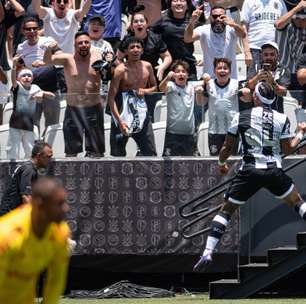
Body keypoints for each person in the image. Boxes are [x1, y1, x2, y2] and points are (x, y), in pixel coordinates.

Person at [193, 81, 306, 271]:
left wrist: (222, 164)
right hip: (273, 170)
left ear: (256, 97)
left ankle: (207, 252)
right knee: (297, 201)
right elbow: (289, 148)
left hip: (249, 171)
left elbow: (227, 147)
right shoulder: (281, 118)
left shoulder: (241, 116)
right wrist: (301, 132)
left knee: (226, 211)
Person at [0, 177, 70, 304]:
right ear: (39, 204)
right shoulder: (6, 236)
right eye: (59, 204)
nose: (66, 208)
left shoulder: (60, 233)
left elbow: (56, 281)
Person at [44, 31, 105, 157]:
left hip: (94, 109)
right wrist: (49, 48)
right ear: (75, 46)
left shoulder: (98, 57)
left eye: (86, 42)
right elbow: (47, 61)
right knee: (71, 151)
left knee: (96, 152)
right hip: (74, 109)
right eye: (80, 43)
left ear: (90, 44)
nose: (83, 45)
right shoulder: (67, 59)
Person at [117, 8, 172, 119]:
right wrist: (125, 71)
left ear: (147, 24)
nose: (139, 23)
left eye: (142, 21)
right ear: (132, 26)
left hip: (151, 80)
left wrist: (162, 66)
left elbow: (167, 57)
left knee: (150, 115)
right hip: (132, 82)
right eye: (136, 21)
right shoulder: (127, 39)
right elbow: (117, 58)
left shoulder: (155, 38)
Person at [108, 37, 157, 156]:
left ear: (142, 50)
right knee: (117, 153)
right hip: (122, 111)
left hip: (141, 111)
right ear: (126, 51)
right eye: (132, 47)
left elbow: (155, 87)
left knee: (150, 151)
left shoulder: (147, 66)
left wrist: (145, 91)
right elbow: (111, 98)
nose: (135, 50)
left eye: (138, 47)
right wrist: (120, 122)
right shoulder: (120, 70)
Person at [16, 16, 61, 134]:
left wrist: (46, 61)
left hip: (51, 89)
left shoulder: (48, 41)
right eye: (28, 29)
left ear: (38, 29)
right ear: (23, 31)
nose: (32, 31)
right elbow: (20, 69)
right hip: (32, 92)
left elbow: (61, 59)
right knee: (32, 126)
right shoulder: (21, 47)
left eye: (34, 28)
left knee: (52, 127)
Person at [7, 57, 55, 160]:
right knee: (13, 150)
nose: (26, 77)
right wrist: (14, 67)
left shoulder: (35, 88)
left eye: (29, 75)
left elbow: (53, 96)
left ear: (32, 79)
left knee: (30, 150)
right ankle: (11, 170)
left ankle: (28, 169)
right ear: (19, 78)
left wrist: (43, 93)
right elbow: (13, 80)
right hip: (16, 124)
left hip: (29, 124)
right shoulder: (18, 86)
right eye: (23, 76)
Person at [202, 57, 251, 155]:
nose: (222, 70)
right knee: (215, 161)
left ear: (230, 71)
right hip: (214, 131)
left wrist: (247, 93)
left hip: (232, 131)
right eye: (219, 68)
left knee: (231, 161)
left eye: (225, 68)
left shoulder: (236, 84)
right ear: (214, 71)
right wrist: (201, 89)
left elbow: (247, 100)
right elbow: (201, 102)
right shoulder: (209, 85)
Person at [184, 5, 245, 79]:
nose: (218, 19)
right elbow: (187, 39)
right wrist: (192, 22)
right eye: (215, 16)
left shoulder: (231, 29)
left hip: (230, 79)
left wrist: (234, 25)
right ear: (210, 17)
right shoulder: (204, 30)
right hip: (210, 79)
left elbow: (243, 35)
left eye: (221, 16)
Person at [159, 59, 204, 156]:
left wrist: (206, 78)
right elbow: (161, 88)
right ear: (173, 75)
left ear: (188, 75)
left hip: (189, 133)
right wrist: (167, 78)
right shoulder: (171, 86)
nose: (181, 74)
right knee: (169, 166)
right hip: (172, 133)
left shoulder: (192, 86)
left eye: (183, 72)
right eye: (177, 72)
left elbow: (205, 82)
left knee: (188, 165)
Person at [0, 141, 53, 215]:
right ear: (38, 156)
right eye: (48, 157)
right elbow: (26, 198)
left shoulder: (29, 168)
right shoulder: (29, 169)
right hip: (10, 215)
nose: (50, 160)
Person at [151, 0, 198, 80]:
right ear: (170, 4)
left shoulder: (193, 21)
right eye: (175, 1)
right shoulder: (162, 21)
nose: (179, 3)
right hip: (169, 66)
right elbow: (151, 35)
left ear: (187, 5)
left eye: (182, 1)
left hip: (188, 66)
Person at [241, 0, 287, 78]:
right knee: (252, 80)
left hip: (275, 49)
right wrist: (247, 51)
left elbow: (285, 22)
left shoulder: (280, 2)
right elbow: (244, 27)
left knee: (276, 80)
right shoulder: (249, 2)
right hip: (254, 48)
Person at [245, 41, 290, 113]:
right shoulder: (256, 66)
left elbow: (283, 92)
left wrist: (272, 82)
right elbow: (247, 86)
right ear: (261, 55)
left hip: (276, 111)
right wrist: (257, 78)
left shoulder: (283, 69)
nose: (269, 57)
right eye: (266, 55)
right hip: (256, 110)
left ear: (277, 55)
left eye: (272, 54)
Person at [275, 2, 306, 91]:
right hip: (282, 70)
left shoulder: (303, 30)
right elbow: (278, 24)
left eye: (304, 19)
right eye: (298, 18)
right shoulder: (287, 25)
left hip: (297, 71)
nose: (301, 21)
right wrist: (298, 7)